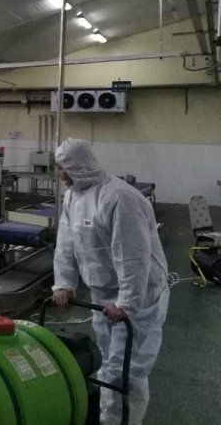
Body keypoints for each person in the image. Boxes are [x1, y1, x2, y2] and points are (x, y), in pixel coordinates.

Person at [52, 138, 168, 425]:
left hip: (139, 295)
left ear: (77, 166)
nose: (59, 174)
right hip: (102, 293)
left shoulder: (120, 198)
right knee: (107, 362)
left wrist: (127, 302)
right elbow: (66, 242)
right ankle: (109, 419)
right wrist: (64, 283)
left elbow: (132, 255)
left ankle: (123, 421)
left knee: (125, 369)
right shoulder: (73, 197)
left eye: (62, 168)